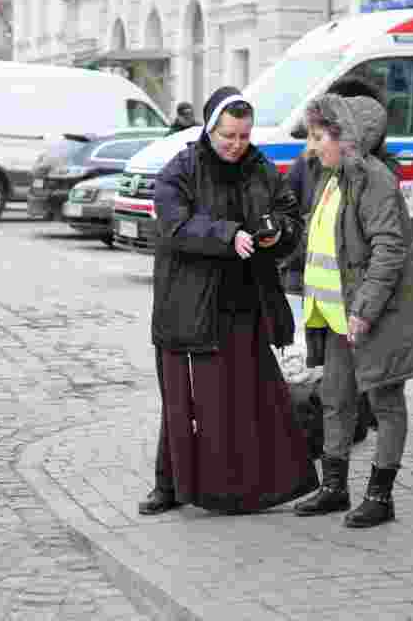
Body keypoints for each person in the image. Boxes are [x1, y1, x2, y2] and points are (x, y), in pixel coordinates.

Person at [139, 85, 319, 515]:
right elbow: (174, 225)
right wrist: (226, 234)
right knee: (186, 403)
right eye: (228, 137)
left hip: (247, 303)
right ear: (209, 129)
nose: (237, 145)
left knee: (250, 400)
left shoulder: (262, 169)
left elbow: (291, 218)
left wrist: (279, 233)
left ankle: (257, 487)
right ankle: (170, 485)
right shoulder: (179, 169)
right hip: (190, 305)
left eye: (243, 136)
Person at [293, 93, 413, 528]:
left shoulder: (374, 179)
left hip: (371, 314)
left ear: (348, 137)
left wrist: (365, 309)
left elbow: (389, 248)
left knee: (385, 401)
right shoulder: (333, 177)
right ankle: (334, 487)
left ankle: (381, 496)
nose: (313, 146)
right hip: (336, 314)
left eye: (320, 137)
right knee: (336, 399)